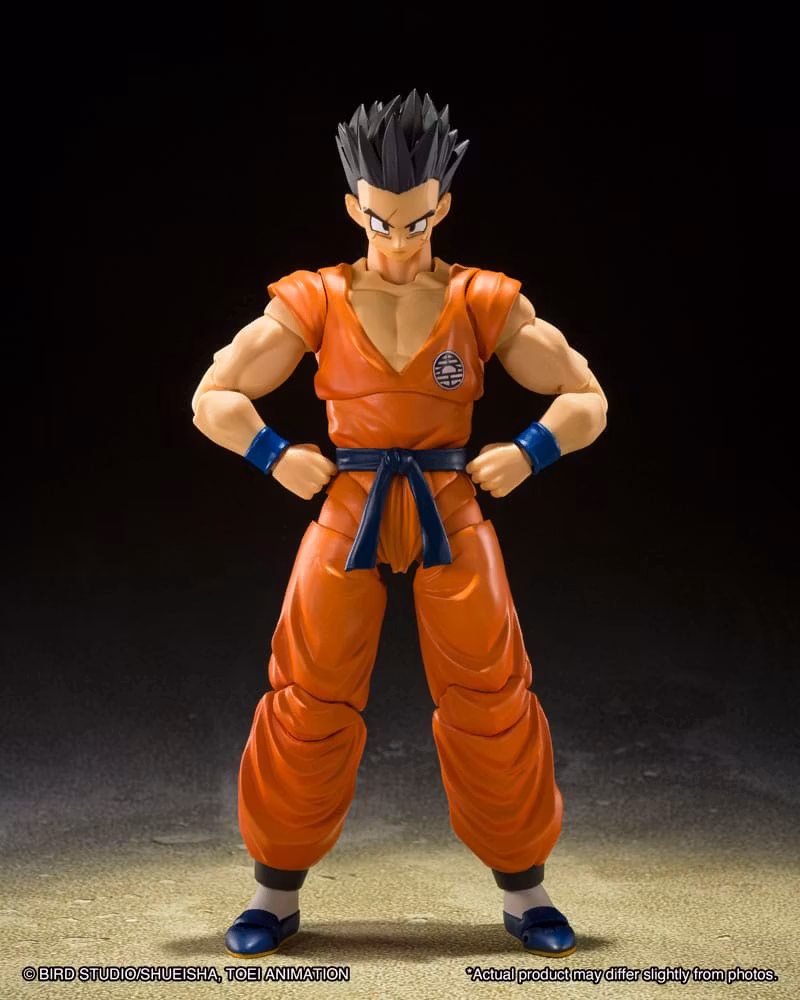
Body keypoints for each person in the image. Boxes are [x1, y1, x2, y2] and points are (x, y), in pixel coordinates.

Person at [191, 90, 607, 960]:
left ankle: (526, 888)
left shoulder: (483, 298)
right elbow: (212, 397)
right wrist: (274, 454)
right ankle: (274, 889)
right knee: (306, 689)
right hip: (350, 503)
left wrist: (529, 451)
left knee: (492, 689)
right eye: (382, 221)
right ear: (355, 208)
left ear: (441, 207)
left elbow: (586, 398)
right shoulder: (313, 298)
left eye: (416, 221)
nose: (399, 239)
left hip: (450, 501)